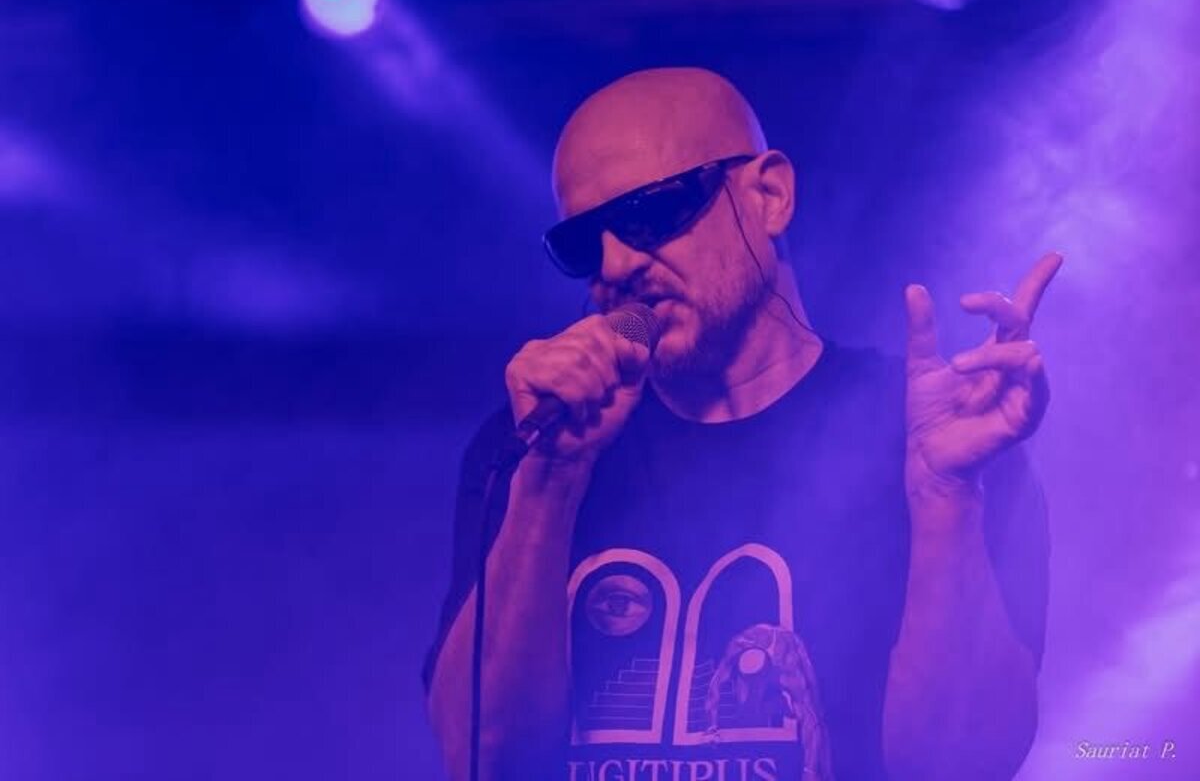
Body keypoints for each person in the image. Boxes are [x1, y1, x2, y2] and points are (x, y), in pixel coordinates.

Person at [423, 67, 1060, 781]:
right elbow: (481, 757)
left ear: (769, 196)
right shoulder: (535, 445)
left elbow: (967, 764)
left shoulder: (932, 431)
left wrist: (946, 498)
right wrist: (550, 481)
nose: (616, 263)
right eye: (583, 244)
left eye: (653, 212)